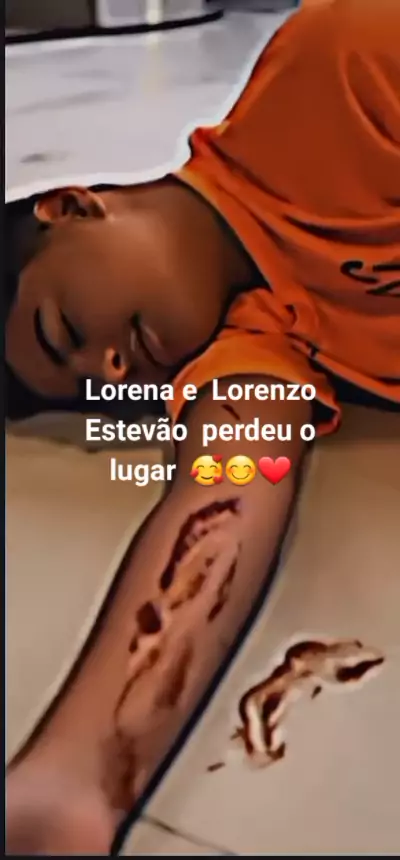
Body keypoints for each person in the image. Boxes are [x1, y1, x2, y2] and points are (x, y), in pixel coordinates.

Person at [5, 0, 400, 853]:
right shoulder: (256, 344)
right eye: (91, 392)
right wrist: (75, 782)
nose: (113, 371)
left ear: (71, 205)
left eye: (65, 329)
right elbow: (227, 487)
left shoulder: (333, 71)